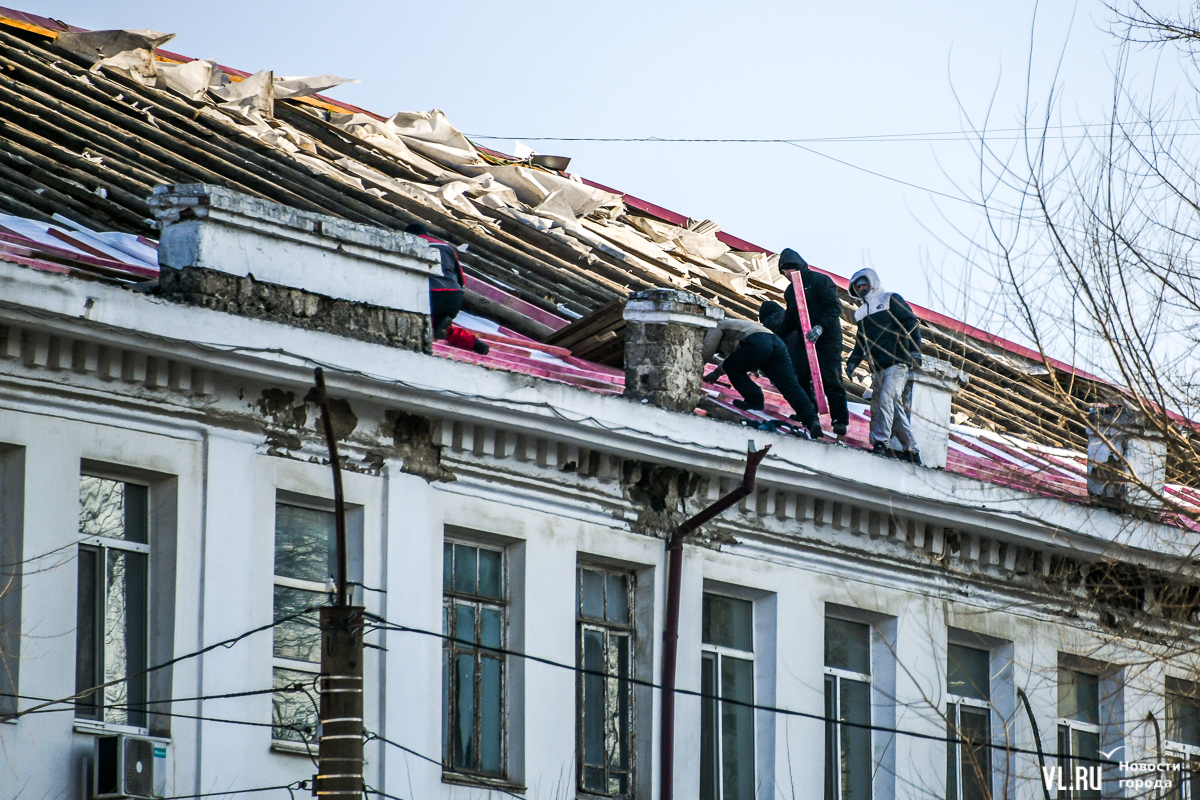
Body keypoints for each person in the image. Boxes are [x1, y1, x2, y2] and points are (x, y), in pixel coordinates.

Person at [765, 249, 850, 436]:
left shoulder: (820, 281)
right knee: (799, 374)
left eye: (788, 269)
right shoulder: (790, 291)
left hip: (827, 337)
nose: (786, 274)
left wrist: (820, 327)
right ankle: (809, 413)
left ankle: (839, 420)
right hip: (805, 338)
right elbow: (790, 319)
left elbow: (834, 307)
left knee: (831, 376)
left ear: (797, 266)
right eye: (783, 271)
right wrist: (775, 337)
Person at [843, 268, 923, 464]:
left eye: (863, 284)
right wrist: (853, 361)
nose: (861, 288)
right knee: (883, 407)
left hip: (897, 364)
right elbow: (861, 342)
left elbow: (911, 322)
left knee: (889, 399)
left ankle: (880, 443)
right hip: (877, 368)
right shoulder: (861, 313)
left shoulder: (890, 299)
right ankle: (911, 450)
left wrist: (915, 351)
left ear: (872, 282)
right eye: (857, 286)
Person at [701, 317, 823, 439]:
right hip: (777, 344)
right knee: (790, 386)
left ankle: (754, 399)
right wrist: (717, 372)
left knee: (730, 367)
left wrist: (697, 367)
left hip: (758, 342)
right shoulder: (735, 326)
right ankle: (812, 420)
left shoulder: (715, 326)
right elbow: (736, 358)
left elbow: (706, 351)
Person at [405, 222, 488, 355]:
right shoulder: (446, 247)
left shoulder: (408, 245)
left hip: (432, 294)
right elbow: (462, 279)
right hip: (454, 296)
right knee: (439, 325)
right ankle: (475, 344)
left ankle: (420, 351)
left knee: (421, 323)